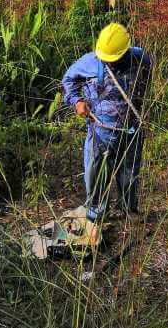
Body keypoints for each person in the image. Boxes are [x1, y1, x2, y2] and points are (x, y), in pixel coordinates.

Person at [61, 22, 151, 229]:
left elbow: (145, 84)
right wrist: (77, 102)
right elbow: (68, 81)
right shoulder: (90, 62)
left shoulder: (142, 58)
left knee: (129, 173)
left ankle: (129, 210)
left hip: (131, 129)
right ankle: (96, 213)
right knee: (96, 172)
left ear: (125, 50)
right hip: (100, 130)